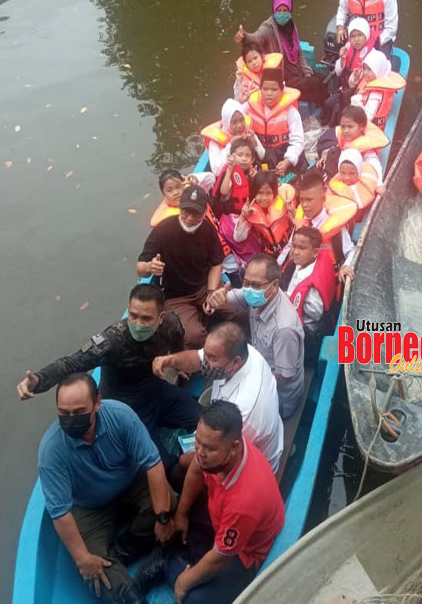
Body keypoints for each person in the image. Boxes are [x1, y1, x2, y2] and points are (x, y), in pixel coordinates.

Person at [17, 284, 200, 468]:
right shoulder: (112, 341)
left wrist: (176, 361)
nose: (138, 324)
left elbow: (177, 339)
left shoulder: (170, 323)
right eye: (133, 316)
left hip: (156, 391)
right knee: (165, 466)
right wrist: (38, 381)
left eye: (146, 319)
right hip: (127, 410)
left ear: (161, 318)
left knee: (204, 419)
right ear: (128, 310)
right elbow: (72, 363)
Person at [38, 373, 174, 604]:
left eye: (79, 412)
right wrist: (83, 559)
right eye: (64, 414)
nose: (71, 419)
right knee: (95, 573)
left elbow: (152, 463)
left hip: (130, 483)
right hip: (90, 507)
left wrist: (162, 519)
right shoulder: (51, 451)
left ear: (97, 403)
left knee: (169, 501)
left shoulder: (121, 417)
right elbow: (60, 513)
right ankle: (132, 597)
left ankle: (126, 548)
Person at [133, 401, 285, 604]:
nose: (200, 452)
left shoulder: (244, 502)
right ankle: (180, 554)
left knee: (194, 599)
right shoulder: (220, 453)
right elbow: (196, 468)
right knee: (179, 474)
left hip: (244, 550)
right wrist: (181, 514)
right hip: (220, 509)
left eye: (209, 448)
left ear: (235, 447)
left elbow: (221, 556)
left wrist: (183, 582)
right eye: (198, 441)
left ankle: (169, 564)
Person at [152, 323, 284, 471]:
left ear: (236, 362)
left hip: (251, 463)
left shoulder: (243, 411)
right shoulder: (244, 353)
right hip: (240, 433)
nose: (206, 362)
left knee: (178, 470)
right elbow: (199, 358)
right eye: (207, 355)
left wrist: (180, 461)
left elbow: (220, 454)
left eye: (212, 359)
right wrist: (170, 360)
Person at [136, 185, 235, 349]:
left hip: (203, 287)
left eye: (196, 213)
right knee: (193, 337)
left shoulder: (207, 230)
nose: (190, 218)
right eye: (186, 211)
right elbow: (139, 267)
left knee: (235, 311)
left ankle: (213, 324)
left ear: (204, 213)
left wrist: (211, 293)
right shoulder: (163, 230)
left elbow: (217, 263)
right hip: (176, 296)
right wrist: (150, 267)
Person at [207, 254, 304, 418]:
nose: (249, 289)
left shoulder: (284, 328)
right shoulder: (255, 295)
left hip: (279, 398)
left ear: (274, 285)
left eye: (256, 285)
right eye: (246, 282)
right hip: (258, 361)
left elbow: (284, 377)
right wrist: (215, 298)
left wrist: (244, 375)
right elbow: (227, 299)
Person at [235, 0, 327, 105]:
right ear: (274, 11)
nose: (282, 14)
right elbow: (256, 38)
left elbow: (299, 53)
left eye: (285, 11)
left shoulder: (291, 26)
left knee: (323, 78)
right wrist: (244, 37)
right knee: (315, 84)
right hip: (283, 78)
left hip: (297, 72)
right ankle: (325, 111)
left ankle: (324, 104)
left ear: (290, 11)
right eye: (279, 11)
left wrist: (306, 71)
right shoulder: (268, 28)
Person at [290, 170, 356, 284]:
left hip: (330, 281)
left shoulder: (335, 227)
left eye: (309, 200)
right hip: (306, 278)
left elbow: (351, 251)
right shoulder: (302, 223)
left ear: (323, 199)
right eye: (302, 200)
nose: (304, 205)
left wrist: (346, 266)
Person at [280, 227, 337, 350]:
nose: (295, 252)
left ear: (315, 252)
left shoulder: (312, 281)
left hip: (305, 333)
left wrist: (289, 299)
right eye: (294, 246)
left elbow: (315, 314)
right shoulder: (300, 263)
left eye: (301, 248)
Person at [246, 66, 306, 175]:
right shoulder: (250, 107)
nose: (269, 93)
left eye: (274, 89)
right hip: (260, 152)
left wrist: (287, 161)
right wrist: (239, 97)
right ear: (260, 89)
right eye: (265, 89)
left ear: (282, 90)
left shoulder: (291, 112)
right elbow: (232, 116)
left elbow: (297, 141)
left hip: (283, 154)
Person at [232, 171, 294, 259]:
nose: (264, 198)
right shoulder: (250, 210)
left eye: (268, 193)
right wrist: (243, 217)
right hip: (270, 255)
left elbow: (299, 224)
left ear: (274, 193)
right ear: (254, 193)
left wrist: (292, 211)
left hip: (291, 248)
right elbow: (238, 238)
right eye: (260, 193)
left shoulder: (283, 201)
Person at [316, 104, 389, 178]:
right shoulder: (340, 131)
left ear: (361, 127)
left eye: (350, 127)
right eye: (343, 126)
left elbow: (374, 164)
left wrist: (379, 184)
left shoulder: (366, 148)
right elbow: (327, 138)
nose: (346, 130)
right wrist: (327, 153)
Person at [201, 99, 265, 177]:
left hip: (249, 172)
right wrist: (230, 144)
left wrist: (253, 141)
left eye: (241, 120)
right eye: (234, 122)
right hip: (229, 178)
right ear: (227, 122)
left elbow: (262, 155)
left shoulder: (247, 130)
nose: (239, 125)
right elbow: (217, 171)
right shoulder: (215, 142)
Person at [351, 48, 405, 131]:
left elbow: (366, 118)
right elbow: (351, 85)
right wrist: (355, 77)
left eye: (369, 69)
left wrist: (357, 98)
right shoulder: (370, 79)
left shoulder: (376, 95)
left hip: (368, 129)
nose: (365, 72)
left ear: (378, 70)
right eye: (364, 68)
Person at [328, 149, 386, 222]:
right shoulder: (334, 185)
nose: (346, 178)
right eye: (343, 173)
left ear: (359, 171)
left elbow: (375, 164)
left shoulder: (367, 184)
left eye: (352, 173)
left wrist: (379, 184)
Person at [150, 170, 216, 227]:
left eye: (178, 187)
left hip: (220, 231)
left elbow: (211, 178)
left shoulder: (193, 192)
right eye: (169, 190)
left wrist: (195, 179)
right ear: (164, 195)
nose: (175, 193)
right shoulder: (170, 221)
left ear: (184, 185)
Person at [211, 137, 258, 217]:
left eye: (248, 156)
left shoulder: (251, 171)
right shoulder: (229, 170)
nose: (244, 159)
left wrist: (255, 178)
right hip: (228, 213)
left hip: (245, 211)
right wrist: (229, 170)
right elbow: (224, 192)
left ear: (252, 160)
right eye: (240, 155)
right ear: (232, 156)